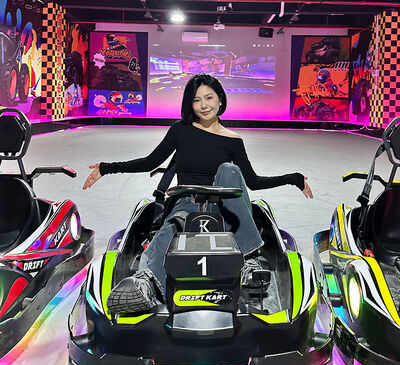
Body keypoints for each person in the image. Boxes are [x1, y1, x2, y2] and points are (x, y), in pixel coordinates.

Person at [83, 73, 313, 314]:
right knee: (171, 228)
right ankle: (146, 281)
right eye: (196, 100)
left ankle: (248, 260)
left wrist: (292, 179)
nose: (203, 105)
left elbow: (253, 182)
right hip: (187, 201)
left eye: (209, 98)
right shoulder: (180, 130)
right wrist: (106, 168)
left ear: (220, 99)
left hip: (224, 206)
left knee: (229, 170)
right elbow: (151, 161)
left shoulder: (233, 141)